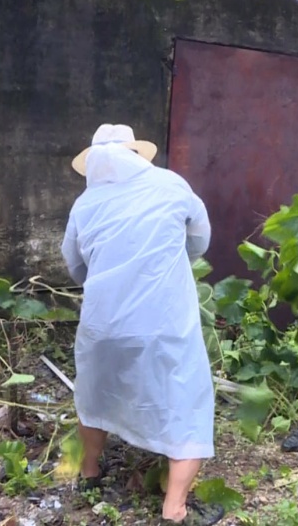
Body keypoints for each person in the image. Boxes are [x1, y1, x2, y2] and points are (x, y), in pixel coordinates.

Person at [61, 124, 222, 525]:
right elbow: (199, 241)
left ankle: (89, 473)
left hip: (101, 325)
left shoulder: (86, 203)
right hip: (164, 323)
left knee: (95, 396)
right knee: (185, 402)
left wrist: (110, 280)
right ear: (136, 154)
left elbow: (74, 264)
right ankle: (175, 507)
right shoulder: (171, 185)